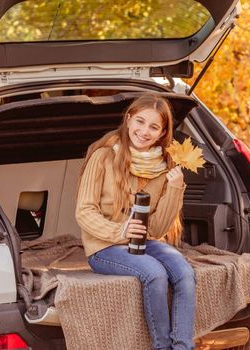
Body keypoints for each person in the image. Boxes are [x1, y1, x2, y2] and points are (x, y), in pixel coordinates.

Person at [75, 94, 196, 350]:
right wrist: (120, 230)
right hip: (104, 246)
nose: (143, 131)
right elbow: (84, 211)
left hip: (145, 242)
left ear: (163, 132)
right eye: (140, 122)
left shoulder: (165, 167)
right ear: (128, 119)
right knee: (154, 273)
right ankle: (162, 347)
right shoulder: (103, 156)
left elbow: (157, 229)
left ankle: (184, 347)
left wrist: (175, 189)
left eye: (153, 127)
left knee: (184, 272)